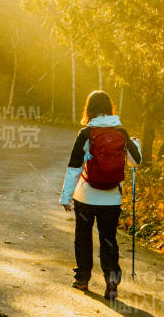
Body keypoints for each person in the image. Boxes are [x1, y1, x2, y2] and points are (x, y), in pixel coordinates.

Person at [60, 90, 141, 301]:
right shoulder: (121, 132)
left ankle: (83, 278)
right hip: (111, 198)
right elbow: (136, 161)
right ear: (110, 108)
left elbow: (74, 167)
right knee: (108, 239)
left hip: (85, 197)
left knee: (83, 237)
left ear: (89, 109)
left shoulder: (86, 133)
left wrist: (65, 196)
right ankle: (112, 281)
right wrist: (136, 143)